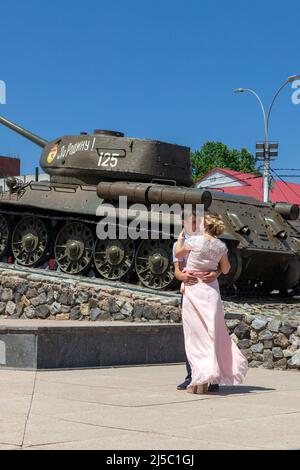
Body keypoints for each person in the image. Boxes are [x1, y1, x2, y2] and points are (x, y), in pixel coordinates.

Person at [176, 213, 248, 394]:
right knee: (213, 334)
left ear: (205, 226)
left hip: (194, 291)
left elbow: (178, 253)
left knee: (196, 335)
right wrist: (214, 270)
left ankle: (200, 377)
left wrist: (181, 236)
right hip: (211, 292)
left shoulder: (194, 241)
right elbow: (225, 269)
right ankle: (208, 377)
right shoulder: (220, 246)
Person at [173, 210, 221, 392]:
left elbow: (221, 268)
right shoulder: (178, 244)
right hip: (190, 292)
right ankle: (192, 375)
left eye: (196, 222)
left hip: (207, 291)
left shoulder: (210, 243)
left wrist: (215, 273)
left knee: (210, 334)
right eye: (190, 222)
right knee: (192, 335)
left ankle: (212, 377)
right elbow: (176, 271)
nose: (194, 225)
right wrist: (182, 276)